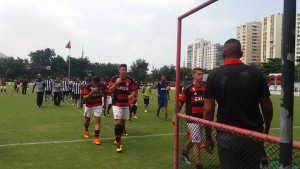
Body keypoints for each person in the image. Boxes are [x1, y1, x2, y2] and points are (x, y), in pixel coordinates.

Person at [203, 39, 273, 169]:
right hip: (253, 135)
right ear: (241, 54)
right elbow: (267, 107)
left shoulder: (214, 75)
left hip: (227, 135)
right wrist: (266, 129)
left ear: (223, 54)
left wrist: (208, 137)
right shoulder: (256, 73)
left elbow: (208, 110)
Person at [172, 68, 205, 169]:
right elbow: (180, 102)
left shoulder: (205, 87)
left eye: (202, 74)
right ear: (193, 76)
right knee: (197, 141)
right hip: (192, 119)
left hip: (203, 118)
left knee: (194, 138)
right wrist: (175, 114)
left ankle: (184, 152)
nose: (201, 76)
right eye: (199, 74)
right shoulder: (188, 88)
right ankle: (198, 165)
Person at [109, 64, 137, 153]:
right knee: (117, 122)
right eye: (122, 69)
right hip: (116, 104)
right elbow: (110, 90)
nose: (124, 71)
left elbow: (134, 89)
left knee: (122, 124)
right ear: (119, 71)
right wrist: (117, 83)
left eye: (125, 69)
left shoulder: (130, 80)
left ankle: (117, 137)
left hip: (125, 104)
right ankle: (118, 143)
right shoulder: (114, 79)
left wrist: (132, 95)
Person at [82, 76, 107, 145]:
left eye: (97, 84)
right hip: (88, 105)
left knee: (98, 120)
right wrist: (92, 92)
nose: (96, 85)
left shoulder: (103, 86)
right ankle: (86, 129)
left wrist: (105, 104)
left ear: (99, 82)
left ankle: (96, 138)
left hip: (98, 104)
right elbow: (84, 98)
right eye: (94, 83)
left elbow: (105, 94)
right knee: (87, 120)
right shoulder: (87, 86)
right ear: (92, 82)